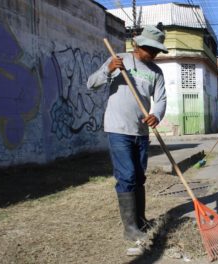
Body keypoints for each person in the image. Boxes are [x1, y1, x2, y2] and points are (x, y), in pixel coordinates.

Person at [86, 25, 167, 243]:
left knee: (139, 177)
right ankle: (130, 228)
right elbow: (91, 84)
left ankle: (140, 220)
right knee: (128, 175)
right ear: (137, 44)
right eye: (150, 49)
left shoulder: (156, 72)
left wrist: (156, 116)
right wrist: (108, 70)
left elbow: (160, 100)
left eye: (157, 50)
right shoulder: (119, 59)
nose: (153, 54)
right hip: (118, 129)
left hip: (140, 132)